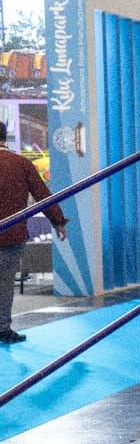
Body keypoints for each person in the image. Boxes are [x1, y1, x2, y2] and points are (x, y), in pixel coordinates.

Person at [0, 120, 69, 344]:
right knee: (4, 283)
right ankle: (2, 328)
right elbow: (42, 195)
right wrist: (58, 221)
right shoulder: (21, 164)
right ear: (5, 138)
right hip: (11, 235)